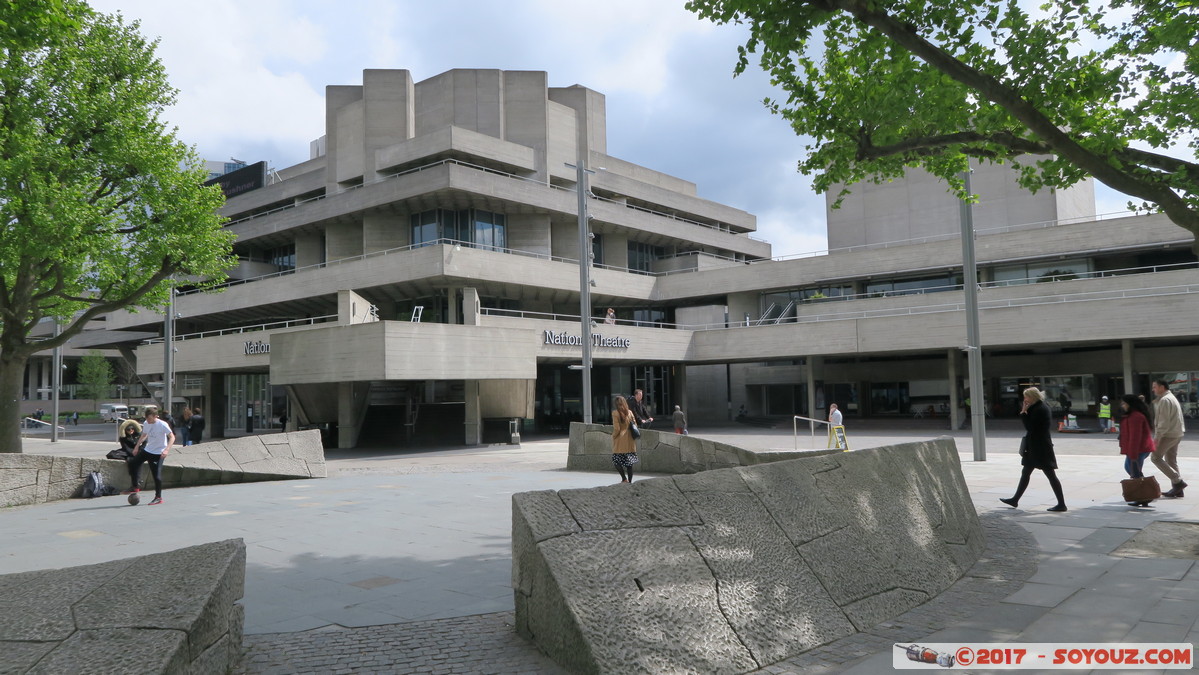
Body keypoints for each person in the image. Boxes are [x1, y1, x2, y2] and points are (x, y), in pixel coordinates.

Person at [1000, 387, 1067, 512]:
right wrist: (1026, 411)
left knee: (1051, 475)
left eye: (1026, 397)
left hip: (1040, 447)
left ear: (1032, 397)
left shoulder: (1039, 409)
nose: (1025, 399)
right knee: (1026, 472)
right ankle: (1015, 499)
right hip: (1036, 446)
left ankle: (1061, 504)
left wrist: (1023, 412)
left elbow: (1030, 427)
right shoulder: (1039, 407)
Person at [125, 407, 173, 505]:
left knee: (157, 476)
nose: (148, 421)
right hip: (148, 450)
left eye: (150, 419)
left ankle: (158, 497)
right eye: (146, 419)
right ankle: (135, 486)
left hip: (158, 453)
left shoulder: (163, 424)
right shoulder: (147, 423)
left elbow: (172, 437)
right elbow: (144, 435)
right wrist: (136, 447)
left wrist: (167, 450)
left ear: (156, 416)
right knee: (133, 463)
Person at [1117, 394, 1156, 506]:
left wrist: (1133, 454)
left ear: (1130, 404)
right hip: (1136, 449)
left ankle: (1145, 494)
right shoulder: (1131, 415)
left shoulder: (1136, 417)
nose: (1122, 405)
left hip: (1139, 449)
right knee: (1132, 470)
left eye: (1124, 403)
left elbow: (1135, 437)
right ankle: (1144, 495)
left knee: (1133, 470)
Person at [1151, 379, 1187, 498]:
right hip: (1176, 433)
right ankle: (1178, 489)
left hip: (1169, 434)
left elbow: (1163, 423)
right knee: (1171, 461)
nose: (1153, 389)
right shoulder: (1170, 397)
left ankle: (1178, 482)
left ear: (1162, 387)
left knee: (1155, 457)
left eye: (1155, 387)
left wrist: (1156, 439)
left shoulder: (1165, 400)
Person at [610, 396, 639, 483]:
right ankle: (630, 481)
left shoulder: (615, 413)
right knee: (629, 464)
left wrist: (613, 436)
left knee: (616, 461)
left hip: (620, 440)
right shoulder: (629, 412)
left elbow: (617, 429)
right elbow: (635, 425)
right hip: (630, 440)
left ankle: (624, 478)